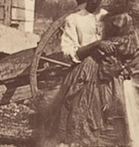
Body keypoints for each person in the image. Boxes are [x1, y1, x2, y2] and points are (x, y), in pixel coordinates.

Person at [51, 8, 139, 146]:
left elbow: (130, 45)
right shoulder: (74, 19)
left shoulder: (113, 16)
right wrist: (96, 44)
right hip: (85, 73)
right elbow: (70, 53)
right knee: (81, 114)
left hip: (112, 75)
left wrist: (126, 67)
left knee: (114, 115)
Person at [60, 0, 110, 64]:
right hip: (83, 71)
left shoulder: (110, 17)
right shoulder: (73, 19)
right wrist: (96, 45)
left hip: (108, 69)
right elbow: (68, 53)